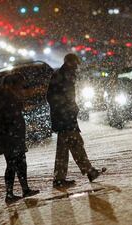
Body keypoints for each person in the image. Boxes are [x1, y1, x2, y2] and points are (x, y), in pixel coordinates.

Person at [47, 53, 105, 188]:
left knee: (65, 148)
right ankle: (89, 171)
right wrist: (67, 108)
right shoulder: (63, 76)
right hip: (65, 118)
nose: (76, 68)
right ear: (69, 63)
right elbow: (55, 97)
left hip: (64, 117)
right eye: (75, 64)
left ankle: (60, 178)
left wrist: (69, 108)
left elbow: (54, 97)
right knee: (75, 144)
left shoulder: (62, 75)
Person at [0, 74, 39, 203]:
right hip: (8, 138)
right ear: (11, 84)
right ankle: (10, 194)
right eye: (19, 84)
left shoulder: (9, 95)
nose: (21, 87)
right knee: (13, 164)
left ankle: (24, 190)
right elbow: (5, 118)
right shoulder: (4, 96)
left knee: (20, 163)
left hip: (13, 137)